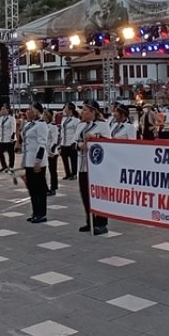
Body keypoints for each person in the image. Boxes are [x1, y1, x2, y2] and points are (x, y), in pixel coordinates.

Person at [76, 100, 110, 235]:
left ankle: (101, 222)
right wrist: (79, 145)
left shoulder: (102, 125)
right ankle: (89, 220)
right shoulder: (80, 126)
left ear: (93, 112)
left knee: (98, 194)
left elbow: (108, 142)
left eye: (84, 110)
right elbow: (75, 142)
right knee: (85, 194)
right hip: (83, 164)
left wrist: (94, 137)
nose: (82, 112)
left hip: (97, 166)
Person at [21, 103, 50, 223]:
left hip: (37, 161)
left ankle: (41, 213)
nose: (28, 112)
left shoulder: (41, 125)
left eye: (30, 110)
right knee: (32, 188)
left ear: (37, 112)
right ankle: (35, 211)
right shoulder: (29, 124)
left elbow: (42, 144)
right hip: (28, 160)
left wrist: (38, 161)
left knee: (40, 188)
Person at [59, 104, 80, 181]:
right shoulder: (64, 119)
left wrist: (74, 141)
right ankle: (67, 173)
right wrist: (60, 141)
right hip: (64, 142)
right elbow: (62, 130)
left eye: (66, 108)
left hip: (71, 142)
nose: (64, 109)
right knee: (64, 159)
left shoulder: (76, 120)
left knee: (73, 159)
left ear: (70, 110)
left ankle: (74, 174)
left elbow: (77, 132)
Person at [42, 109, 60, 195]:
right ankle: (44, 188)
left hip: (51, 151)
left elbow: (55, 140)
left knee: (52, 171)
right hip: (44, 151)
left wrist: (51, 151)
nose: (43, 116)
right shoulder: (42, 125)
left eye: (45, 115)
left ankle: (53, 188)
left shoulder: (53, 126)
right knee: (43, 171)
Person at [0, 105, 16, 173]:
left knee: (11, 153)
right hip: (2, 139)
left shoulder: (11, 118)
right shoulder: (0, 119)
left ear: (8, 110)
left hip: (9, 138)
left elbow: (13, 128)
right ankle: (4, 166)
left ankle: (11, 166)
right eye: (1, 109)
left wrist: (12, 136)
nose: (2, 111)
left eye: (4, 109)